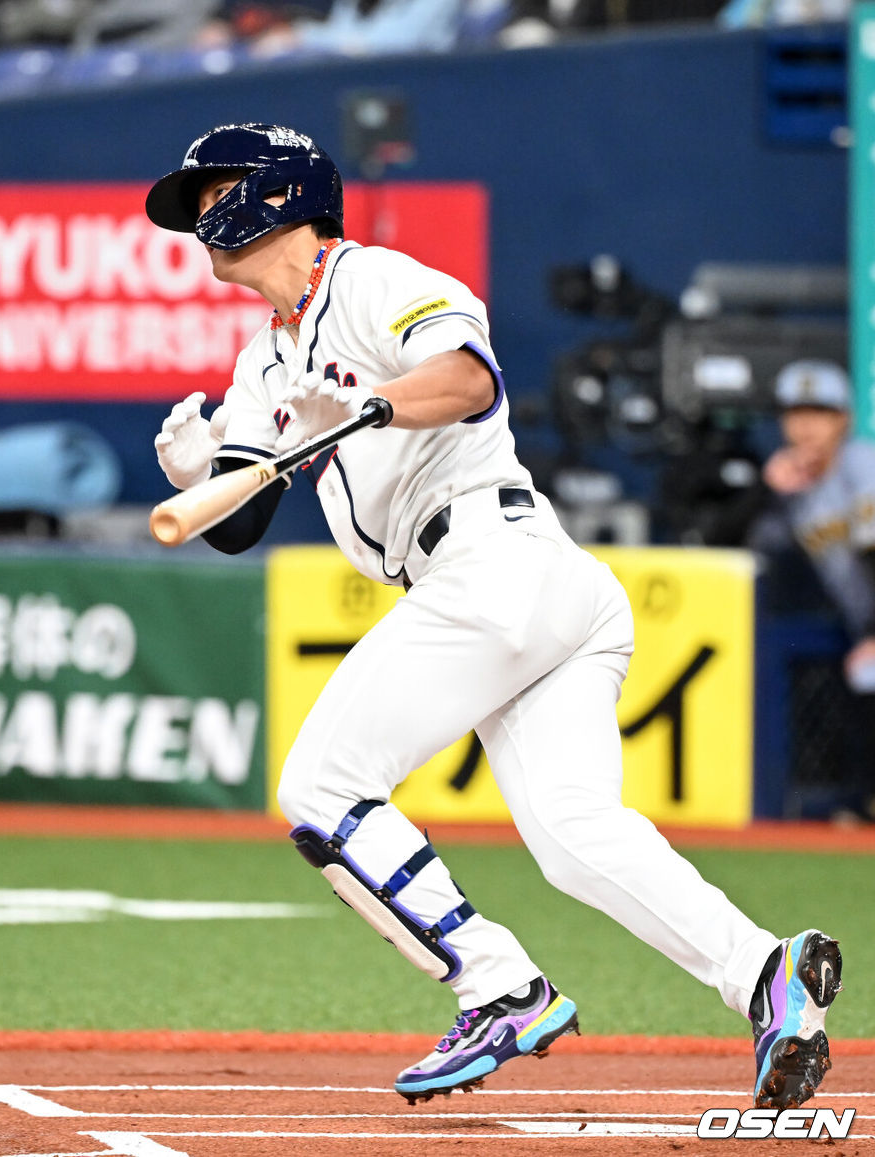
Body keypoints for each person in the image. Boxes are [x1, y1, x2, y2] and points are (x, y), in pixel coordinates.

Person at [144, 123, 842, 1107]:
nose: (205, 220)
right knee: (572, 833)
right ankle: (766, 970)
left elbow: (469, 378)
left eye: (218, 196)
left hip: (495, 559)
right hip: (511, 588)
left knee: (319, 786)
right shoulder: (264, 366)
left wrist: (365, 404)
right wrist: (200, 472)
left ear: (281, 194)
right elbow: (237, 516)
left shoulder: (372, 279)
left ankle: (497, 985)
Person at [756, 359, 875, 818]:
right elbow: (742, 541)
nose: (805, 426)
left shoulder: (863, 464)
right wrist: (766, 492)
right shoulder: (795, 489)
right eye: (795, 413)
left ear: (843, 418)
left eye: (820, 413)